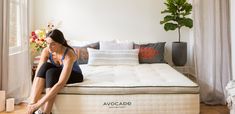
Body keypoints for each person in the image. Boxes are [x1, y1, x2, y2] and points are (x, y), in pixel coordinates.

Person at [27, 29, 83, 114]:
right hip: (58, 71)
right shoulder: (46, 51)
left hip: (74, 74)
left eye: (53, 44)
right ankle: (32, 106)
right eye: (48, 43)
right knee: (45, 66)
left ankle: (46, 112)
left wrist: (39, 104)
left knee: (51, 73)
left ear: (60, 43)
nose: (49, 47)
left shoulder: (69, 55)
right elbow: (38, 73)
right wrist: (32, 103)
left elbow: (61, 83)